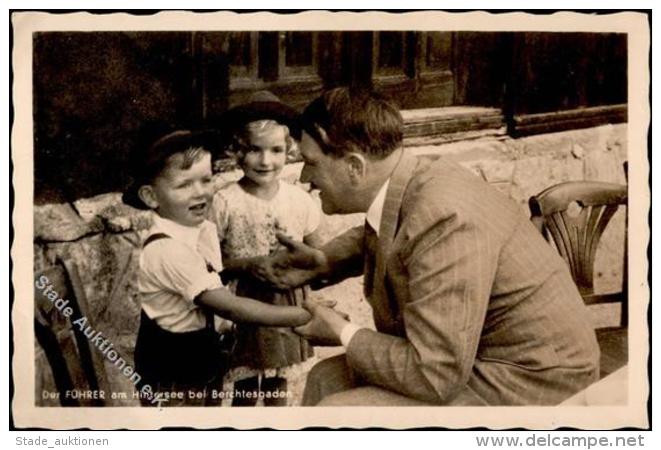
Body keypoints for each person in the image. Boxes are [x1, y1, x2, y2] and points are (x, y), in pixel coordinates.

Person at [267, 87, 601, 406]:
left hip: (532, 381)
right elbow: (392, 222)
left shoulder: (445, 216)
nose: (304, 178)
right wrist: (326, 260)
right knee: (325, 377)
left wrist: (342, 332)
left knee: (337, 412)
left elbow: (435, 373)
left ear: (355, 167)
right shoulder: (415, 177)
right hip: (480, 360)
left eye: (311, 162)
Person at [122, 130, 311, 406]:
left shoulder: (202, 230)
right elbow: (228, 306)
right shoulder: (168, 250)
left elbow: (217, 281)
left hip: (199, 358)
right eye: (184, 185)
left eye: (206, 179)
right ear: (151, 197)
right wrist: (301, 316)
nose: (200, 192)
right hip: (174, 374)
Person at [209, 91, 323, 406]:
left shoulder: (298, 199)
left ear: (289, 151)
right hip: (241, 301)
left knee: (277, 381)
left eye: (275, 150)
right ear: (237, 152)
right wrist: (245, 265)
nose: (265, 161)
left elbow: (318, 256)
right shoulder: (225, 201)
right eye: (255, 150)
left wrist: (298, 262)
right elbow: (208, 263)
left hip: (285, 298)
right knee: (245, 384)